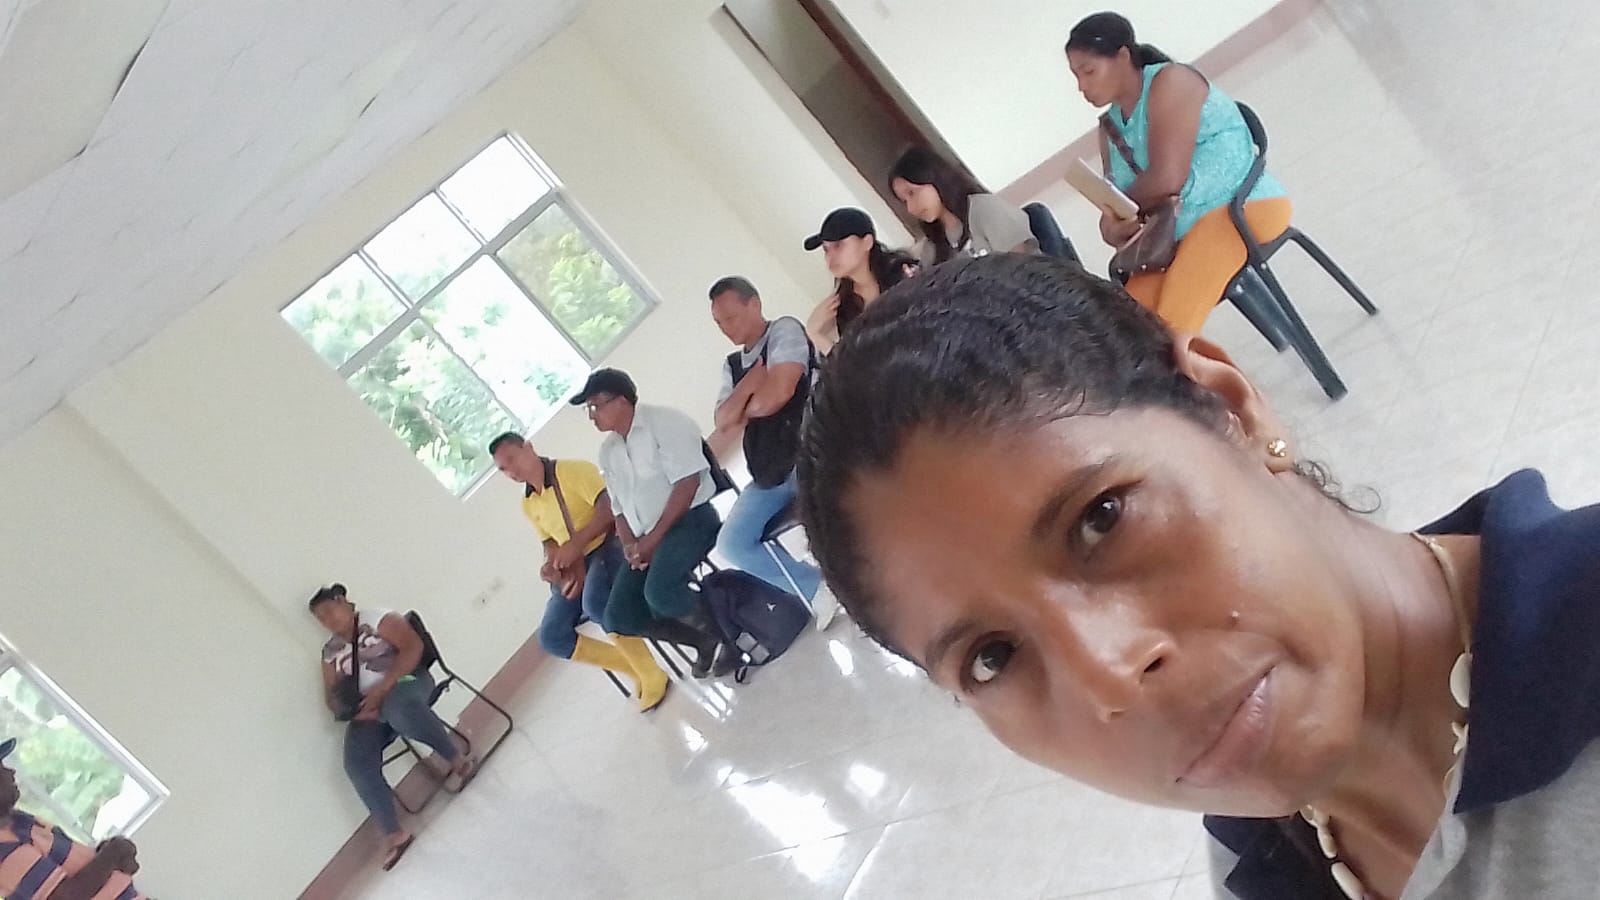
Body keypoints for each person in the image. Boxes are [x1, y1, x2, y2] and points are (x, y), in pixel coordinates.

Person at [797, 253, 1600, 899]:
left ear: (1232, 408)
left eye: (1101, 518)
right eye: (991, 657)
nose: (1109, 675)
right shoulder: (1257, 860)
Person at [1065, 12, 1290, 334]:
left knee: (1169, 329)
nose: (1081, 87)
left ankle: (1191, 364)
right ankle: (1195, 366)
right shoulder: (1110, 128)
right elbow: (1118, 204)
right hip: (1173, 238)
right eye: (1076, 76)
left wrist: (1120, 206)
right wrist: (1113, 226)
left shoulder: (1171, 81)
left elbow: (1167, 179)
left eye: (1089, 71)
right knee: (1128, 332)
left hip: (1240, 208)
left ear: (1123, 56)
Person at [488, 433, 670, 711]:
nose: (511, 471)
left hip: (609, 546)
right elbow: (549, 541)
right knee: (551, 636)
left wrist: (576, 544)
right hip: (576, 565)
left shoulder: (573, 471)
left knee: (595, 602)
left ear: (529, 447)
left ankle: (651, 672)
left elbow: (610, 509)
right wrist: (550, 565)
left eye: (512, 459)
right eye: (503, 469)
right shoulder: (529, 503)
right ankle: (633, 668)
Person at [571, 369, 731, 678]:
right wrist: (631, 546)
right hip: (647, 538)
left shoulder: (666, 423)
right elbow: (618, 509)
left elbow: (687, 485)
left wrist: (651, 541)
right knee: (618, 615)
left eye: (595, 406)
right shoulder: (608, 452)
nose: (592, 416)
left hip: (691, 519)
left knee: (660, 593)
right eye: (588, 409)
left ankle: (729, 636)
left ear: (621, 401)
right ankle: (702, 640)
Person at [706, 276, 839, 630]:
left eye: (731, 317)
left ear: (754, 304)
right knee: (732, 543)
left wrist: (744, 407)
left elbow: (779, 393)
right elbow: (722, 421)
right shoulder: (733, 365)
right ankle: (816, 588)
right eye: (719, 323)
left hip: (813, 448)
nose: (726, 328)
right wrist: (751, 385)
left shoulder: (784, 331)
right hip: (770, 468)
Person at [311, 585, 475, 871]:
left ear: (342, 601)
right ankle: (393, 834)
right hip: (369, 709)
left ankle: (456, 759)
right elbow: (331, 698)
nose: (327, 620)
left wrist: (383, 689)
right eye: (320, 618)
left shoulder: (377, 619)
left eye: (328, 611)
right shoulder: (329, 653)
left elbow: (413, 648)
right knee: (356, 762)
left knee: (397, 708)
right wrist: (352, 711)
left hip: (407, 681)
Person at [0, 737, 149, 899]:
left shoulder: (17, 820)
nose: (11, 771)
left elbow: (77, 870)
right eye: (1, 768)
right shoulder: (4, 850)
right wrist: (114, 852)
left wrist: (105, 855)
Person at [888, 147, 1038, 269]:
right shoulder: (931, 250)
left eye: (912, 193)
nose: (911, 208)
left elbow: (1025, 268)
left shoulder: (984, 208)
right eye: (904, 201)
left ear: (933, 178)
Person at [802, 208, 919, 355]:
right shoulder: (845, 306)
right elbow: (857, 364)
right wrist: (815, 333)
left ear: (867, 242)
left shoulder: (903, 274)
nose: (830, 256)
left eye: (838, 245)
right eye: (826, 249)